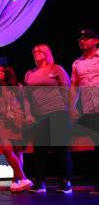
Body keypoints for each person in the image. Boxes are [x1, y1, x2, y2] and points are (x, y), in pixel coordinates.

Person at [24, 44, 73, 194]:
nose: (36, 53)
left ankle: (65, 182)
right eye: (34, 51)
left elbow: (67, 90)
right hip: (38, 115)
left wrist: (68, 112)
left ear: (47, 53)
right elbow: (26, 97)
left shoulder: (56, 69)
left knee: (60, 149)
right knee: (39, 150)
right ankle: (40, 183)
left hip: (58, 112)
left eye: (39, 51)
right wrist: (28, 114)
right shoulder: (29, 73)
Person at [70, 29, 99, 192]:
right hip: (90, 108)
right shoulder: (77, 63)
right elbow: (74, 87)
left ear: (96, 41)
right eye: (80, 38)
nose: (82, 40)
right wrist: (72, 107)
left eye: (86, 38)